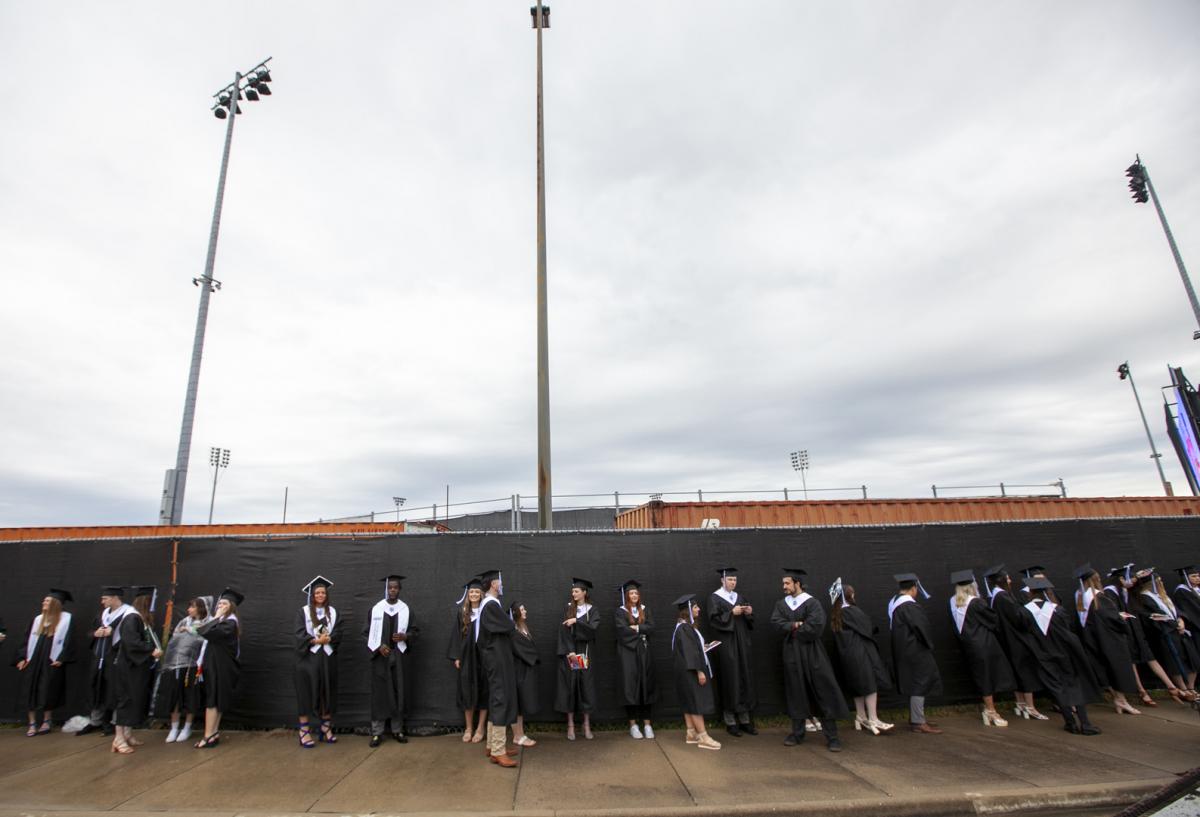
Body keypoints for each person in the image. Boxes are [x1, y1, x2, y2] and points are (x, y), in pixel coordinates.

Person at [769, 569, 847, 751]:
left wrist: (793, 630)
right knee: (796, 691)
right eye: (783, 583)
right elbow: (775, 623)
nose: (784, 587)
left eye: (787, 583)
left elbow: (816, 627)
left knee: (823, 690)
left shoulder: (812, 603)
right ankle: (797, 733)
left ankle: (832, 736)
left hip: (812, 652)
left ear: (797, 583)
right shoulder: (782, 604)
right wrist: (795, 625)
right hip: (791, 654)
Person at [1021, 576, 1102, 735]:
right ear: (1046, 591)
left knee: (1057, 688)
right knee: (1073, 686)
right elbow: (1067, 633)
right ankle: (1085, 724)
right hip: (1064, 654)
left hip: (1043, 656)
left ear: (1030, 592)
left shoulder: (1024, 611)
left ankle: (1070, 723)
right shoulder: (1057, 610)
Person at [1104, 565, 1190, 705]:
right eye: (1131, 578)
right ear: (1121, 578)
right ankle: (1141, 690)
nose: (1134, 581)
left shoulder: (1130, 592)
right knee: (1132, 661)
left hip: (1136, 629)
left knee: (1150, 657)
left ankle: (1171, 687)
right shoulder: (1111, 592)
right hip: (1124, 630)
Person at [981, 565, 1049, 720]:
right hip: (1017, 640)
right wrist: (1030, 610)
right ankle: (1030, 707)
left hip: (1007, 639)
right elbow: (1019, 618)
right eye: (1008, 578)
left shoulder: (994, 597)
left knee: (1017, 671)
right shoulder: (1003, 597)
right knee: (1025, 672)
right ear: (1001, 580)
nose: (1010, 580)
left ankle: (1020, 703)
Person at [1073, 564, 1141, 715]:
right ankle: (1121, 700)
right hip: (1109, 640)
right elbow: (1110, 618)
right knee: (1115, 669)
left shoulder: (1079, 595)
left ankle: (1119, 699)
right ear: (1095, 579)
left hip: (1092, 640)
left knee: (1106, 669)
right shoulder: (1097, 597)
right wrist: (1120, 617)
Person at [949, 570, 1013, 727]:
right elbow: (993, 621)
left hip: (970, 646)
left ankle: (990, 710)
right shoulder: (976, 602)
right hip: (985, 644)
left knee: (982, 676)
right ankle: (991, 711)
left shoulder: (953, 601)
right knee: (987, 677)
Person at [829, 579, 893, 735]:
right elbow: (868, 628)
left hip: (848, 655)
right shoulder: (851, 611)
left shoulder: (837, 613)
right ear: (848, 596)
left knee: (857, 685)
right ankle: (873, 718)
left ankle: (860, 716)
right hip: (862, 652)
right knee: (870, 684)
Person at [13, 589, 75, 737]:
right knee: (30, 689)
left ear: (55, 603)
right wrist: (21, 658)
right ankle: (32, 723)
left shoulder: (66, 619)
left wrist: (61, 657)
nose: (44, 603)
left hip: (51, 660)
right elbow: (26, 640)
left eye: (47, 601)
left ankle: (47, 720)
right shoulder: (38, 619)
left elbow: (69, 641)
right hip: (34, 660)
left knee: (49, 689)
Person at [366, 574, 417, 747]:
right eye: (390, 587)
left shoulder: (406, 609)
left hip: (399, 656)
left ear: (400, 589)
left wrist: (405, 636)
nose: (393, 590)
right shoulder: (376, 609)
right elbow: (366, 633)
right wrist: (378, 646)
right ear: (386, 589)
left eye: (396, 587)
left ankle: (397, 730)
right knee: (380, 694)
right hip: (381, 657)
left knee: (398, 692)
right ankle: (377, 732)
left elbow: (415, 631)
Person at [889, 573, 943, 734]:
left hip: (903, 649)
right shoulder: (909, 606)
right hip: (915, 650)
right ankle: (918, 721)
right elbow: (921, 628)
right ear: (913, 589)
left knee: (915, 682)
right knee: (920, 682)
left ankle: (917, 717)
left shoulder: (894, 602)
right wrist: (928, 644)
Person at [1133, 570, 1199, 698]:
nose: (1161, 583)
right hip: (1167, 633)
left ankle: (1191, 686)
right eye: (1159, 581)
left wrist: (1181, 620)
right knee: (1175, 662)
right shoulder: (1145, 597)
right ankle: (1183, 689)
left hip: (1180, 631)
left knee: (1192, 659)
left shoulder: (1163, 595)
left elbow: (1176, 610)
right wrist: (1175, 625)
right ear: (1151, 583)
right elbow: (1154, 615)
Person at [111, 586, 163, 753]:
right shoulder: (132, 617)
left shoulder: (140, 618)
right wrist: (150, 650)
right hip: (128, 667)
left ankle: (127, 734)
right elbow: (131, 642)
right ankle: (118, 739)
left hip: (136, 667)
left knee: (134, 699)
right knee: (125, 700)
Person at [476, 570, 519, 767]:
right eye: (500, 582)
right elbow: (508, 626)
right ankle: (498, 750)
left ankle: (493, 747)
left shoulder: (490, 605)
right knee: (500, 699)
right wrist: (512, 621)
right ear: (494, 584)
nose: (501, 585)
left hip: (494, 658)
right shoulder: (491, 605)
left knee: (496, 699)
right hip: (496, 658)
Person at [707, 567, 757, 737]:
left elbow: (749, 621)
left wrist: (749, 613)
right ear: (722, 580)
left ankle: (745, 720)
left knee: (744, 678)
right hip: (727, 644)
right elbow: (713, 620)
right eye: (730, 580)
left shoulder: (740, 597)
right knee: (730, 679)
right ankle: (730, 721)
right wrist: (731, 613)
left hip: (742, 643)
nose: (733, 582)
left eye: (735, 580)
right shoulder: (714, 598)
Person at [156, 595, 211, 743]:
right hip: (176, 664)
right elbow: (175, 638)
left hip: (193, 666)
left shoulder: (208, 623)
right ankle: (174, 727)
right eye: (189, 606)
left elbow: (205, 640)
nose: (189, 610)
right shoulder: (184, 621)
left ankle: (187, 727)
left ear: (200, 608)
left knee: (190, 697)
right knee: (175, 696)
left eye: (192, 607)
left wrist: (191, 630)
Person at [295, 576, 341, 748]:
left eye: (323, 592)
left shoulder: (334, 612)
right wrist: (315, 642)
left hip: (327, 658)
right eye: (317, 593)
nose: (320, 595)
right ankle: (304, 731)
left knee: (327, 692)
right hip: (308, 660)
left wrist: (329, 638)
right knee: (306, 693)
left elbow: (339, 632)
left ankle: (325, 727)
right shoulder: (303, 612)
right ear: (312, 595)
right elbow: (299, 635)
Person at [194, 587, 243, 748]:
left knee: (214, 700)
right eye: (219, 603)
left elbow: (204, 631)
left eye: (224, 603)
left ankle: (208, 735)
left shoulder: (229, 623)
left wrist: (215, 617)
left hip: (220, 666)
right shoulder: (223, 622)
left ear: (231, 607)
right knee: (215, 699)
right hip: (214, 664)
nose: (220, 606)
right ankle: (213, 733)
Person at [672, 594, 721, 750]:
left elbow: (692, 649)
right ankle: (703, 736)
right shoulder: (685, 628)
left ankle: (691, 733)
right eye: (695, 607)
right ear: (687, 610)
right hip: (691, 671)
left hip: (683, 671)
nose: (698, 609)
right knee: (696, 702)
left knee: (688, 701)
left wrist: (703, 648)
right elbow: (690, 653)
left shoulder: (682, 627)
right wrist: (699, 671)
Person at [77, 587, 127, 737]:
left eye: (105, 598)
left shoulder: (126, 615)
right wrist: (95, 633)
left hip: (114, 659)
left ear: (114, 598)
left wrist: (114, 634)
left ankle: (110, 722)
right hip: (98, 658)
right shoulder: (102, 615)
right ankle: (95, 721)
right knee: (96, 688)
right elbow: (90, 633)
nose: (102, 601)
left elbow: (131, 637)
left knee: (112, 691)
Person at [555, 577, 599, 741]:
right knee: (570, 688)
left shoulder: (592, 610)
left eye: (576, 591)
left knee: (586, 688)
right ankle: (571, 725)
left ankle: (586, 724)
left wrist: (577, 622)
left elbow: (593, 630)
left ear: (584, 593)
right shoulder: (568, 609)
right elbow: (563, 631)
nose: (573, 593)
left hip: (586, 653)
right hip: (572, 653)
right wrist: (570, 651)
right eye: (573, 591)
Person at [614, 579, 657, 739]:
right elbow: (621, 631)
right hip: (627, 654)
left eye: (636, 593)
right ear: (626, 595)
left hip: (645, 652)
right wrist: (641, 633)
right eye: (631, 593)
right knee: (630, 688)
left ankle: (647, 725)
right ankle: (633, 725)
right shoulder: (620, 612)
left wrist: (637, 627)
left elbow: (652, 627)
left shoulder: (645, 610)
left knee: (647, 686)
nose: (634, 595)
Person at [447, 577, 488, 742]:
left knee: (485, 690)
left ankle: (480, 728)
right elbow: (456, 635)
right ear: (467, 594)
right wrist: (457, 656)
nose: (474, 594)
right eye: (471, 592)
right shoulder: (462, 613)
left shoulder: (487, 611)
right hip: (467, 657)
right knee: (467, 690)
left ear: (481, 594)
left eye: (477, 591)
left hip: (484, 657)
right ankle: (469, 727)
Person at [508, 599, 539, 747]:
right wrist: (536, 657)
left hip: (524, 669)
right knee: (517, 705)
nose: (525, 611)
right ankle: (517, 736)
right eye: (522, 609)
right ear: (515, 613)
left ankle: (520, 734)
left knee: (521, 705)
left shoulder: (522, 627)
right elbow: (522, 650)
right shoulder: (513, 632)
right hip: (517, 671)